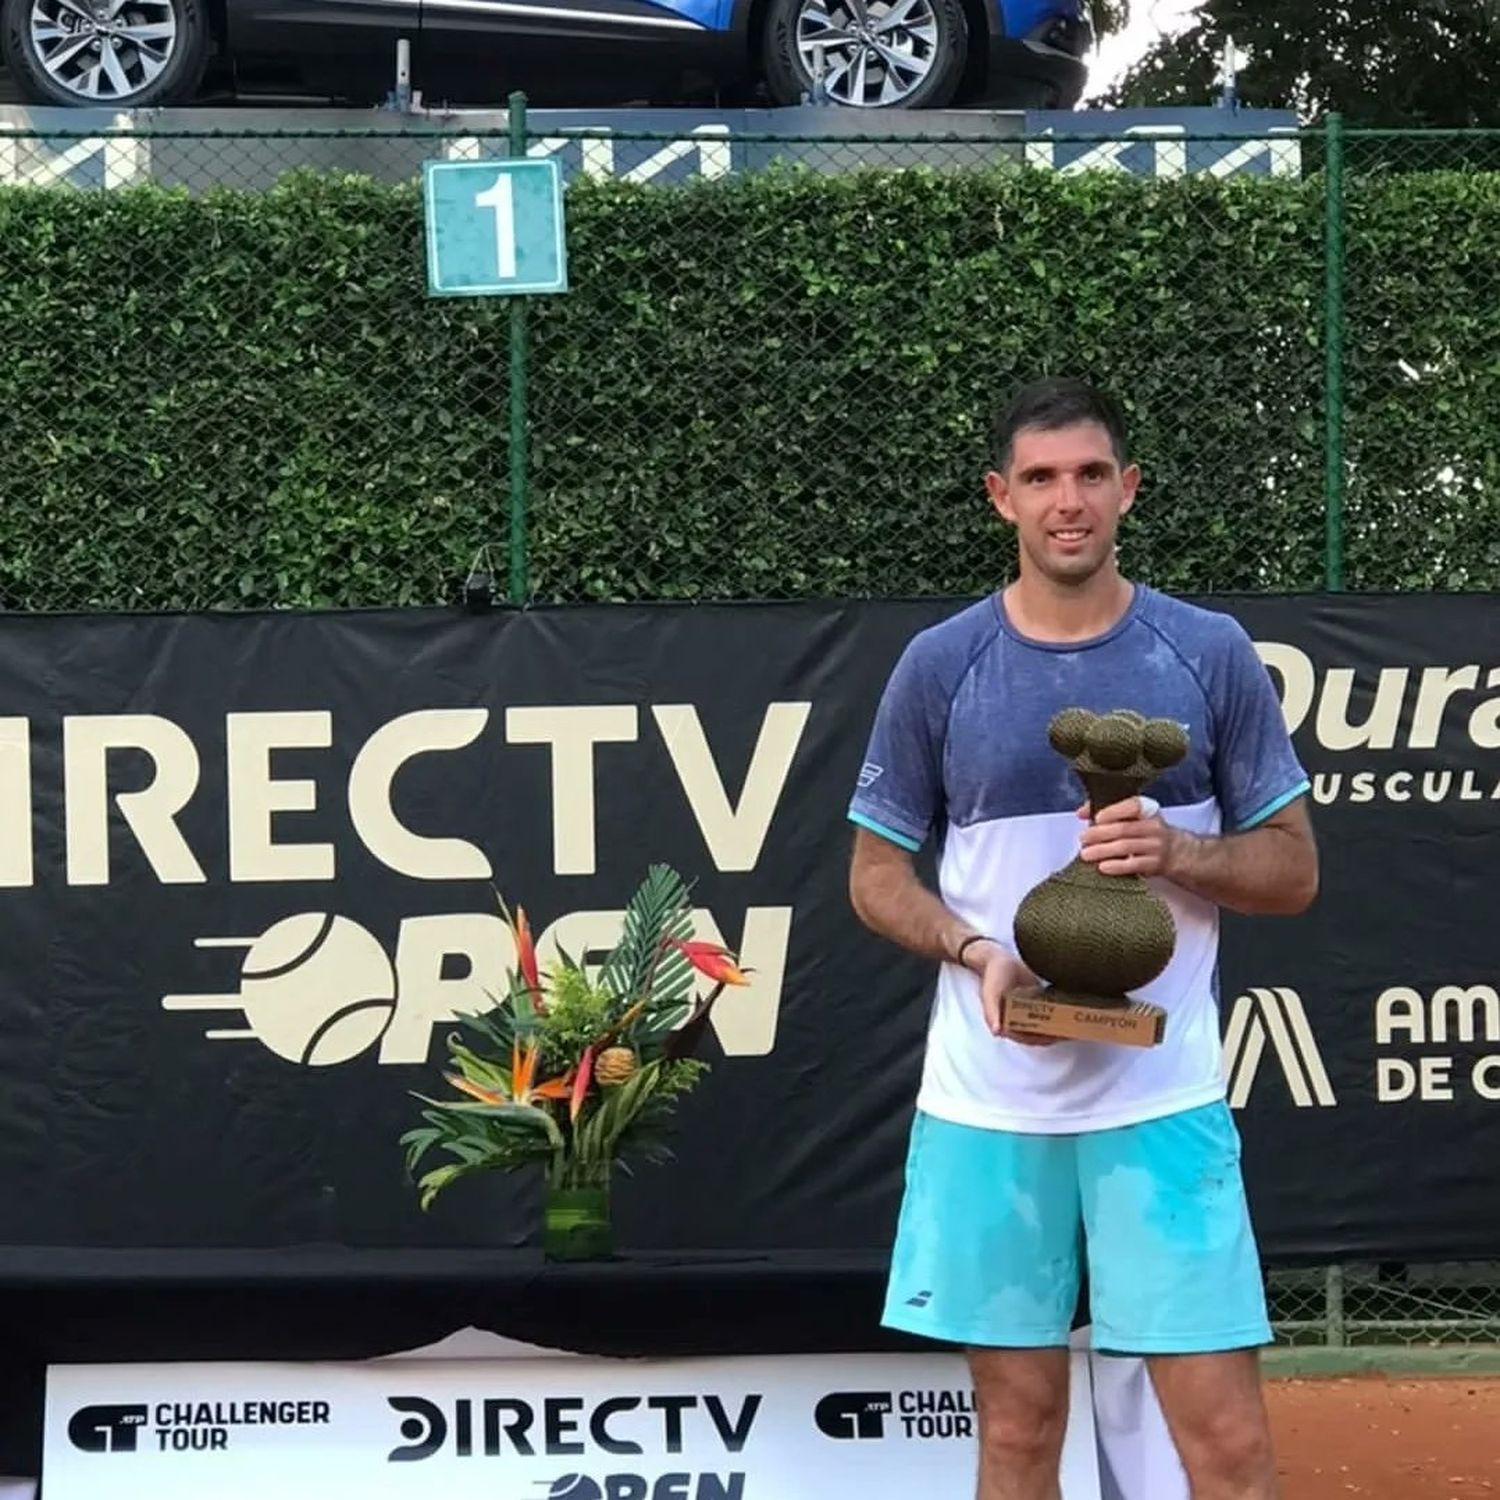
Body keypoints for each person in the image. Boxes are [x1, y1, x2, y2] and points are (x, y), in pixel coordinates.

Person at [846, 376, 1318, 1500]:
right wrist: (977, 955)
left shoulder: (1207, 653)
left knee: (1229, 1446)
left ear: (1129, 490)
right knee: (1016, 1435)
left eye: (1092, 475)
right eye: (1044, 479)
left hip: (1162, 1106)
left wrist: (1181, 855)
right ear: (1001, 498)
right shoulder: (941, 664)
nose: (1071, 502)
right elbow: (874, 875)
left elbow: (1293, 872)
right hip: (987, 1108)